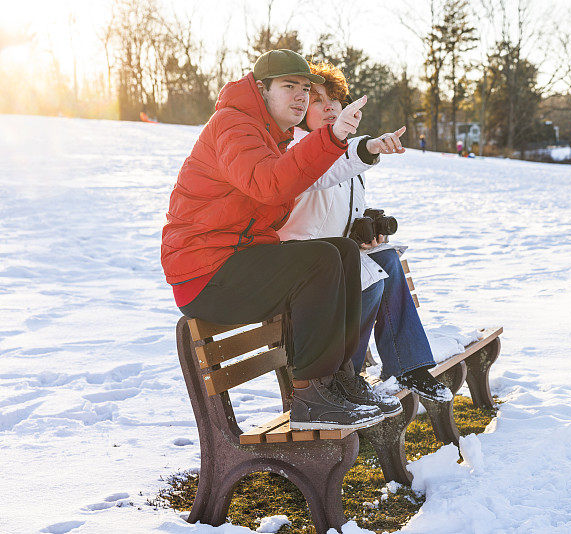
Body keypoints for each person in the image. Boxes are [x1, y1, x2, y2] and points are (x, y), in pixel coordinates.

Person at [161, 49, 400, 431]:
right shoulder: (234, 126)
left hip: (234, 260)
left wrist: (352, 146)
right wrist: (332, 137)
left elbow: (303, 175)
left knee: (340, 251)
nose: (301, 96)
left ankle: (341, 380)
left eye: (305, 87)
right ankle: (309, 394)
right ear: (261, 89)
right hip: (204, 273)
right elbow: (270, 184)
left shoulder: (272, 135)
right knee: (320, 260)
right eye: (289, 86)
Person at [278, 62, 452, 402]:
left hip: (335, 262)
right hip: (303, 267)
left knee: (385, 257)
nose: (329, 107)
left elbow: (336, 212)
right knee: (367, 277)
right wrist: (367, 146)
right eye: (318, 100)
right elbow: (310, 191)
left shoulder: (341, 154)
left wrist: (364, 232)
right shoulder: (295, 150)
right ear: (300, 109)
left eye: (335, 100)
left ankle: (409, 366)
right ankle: (343, 379)